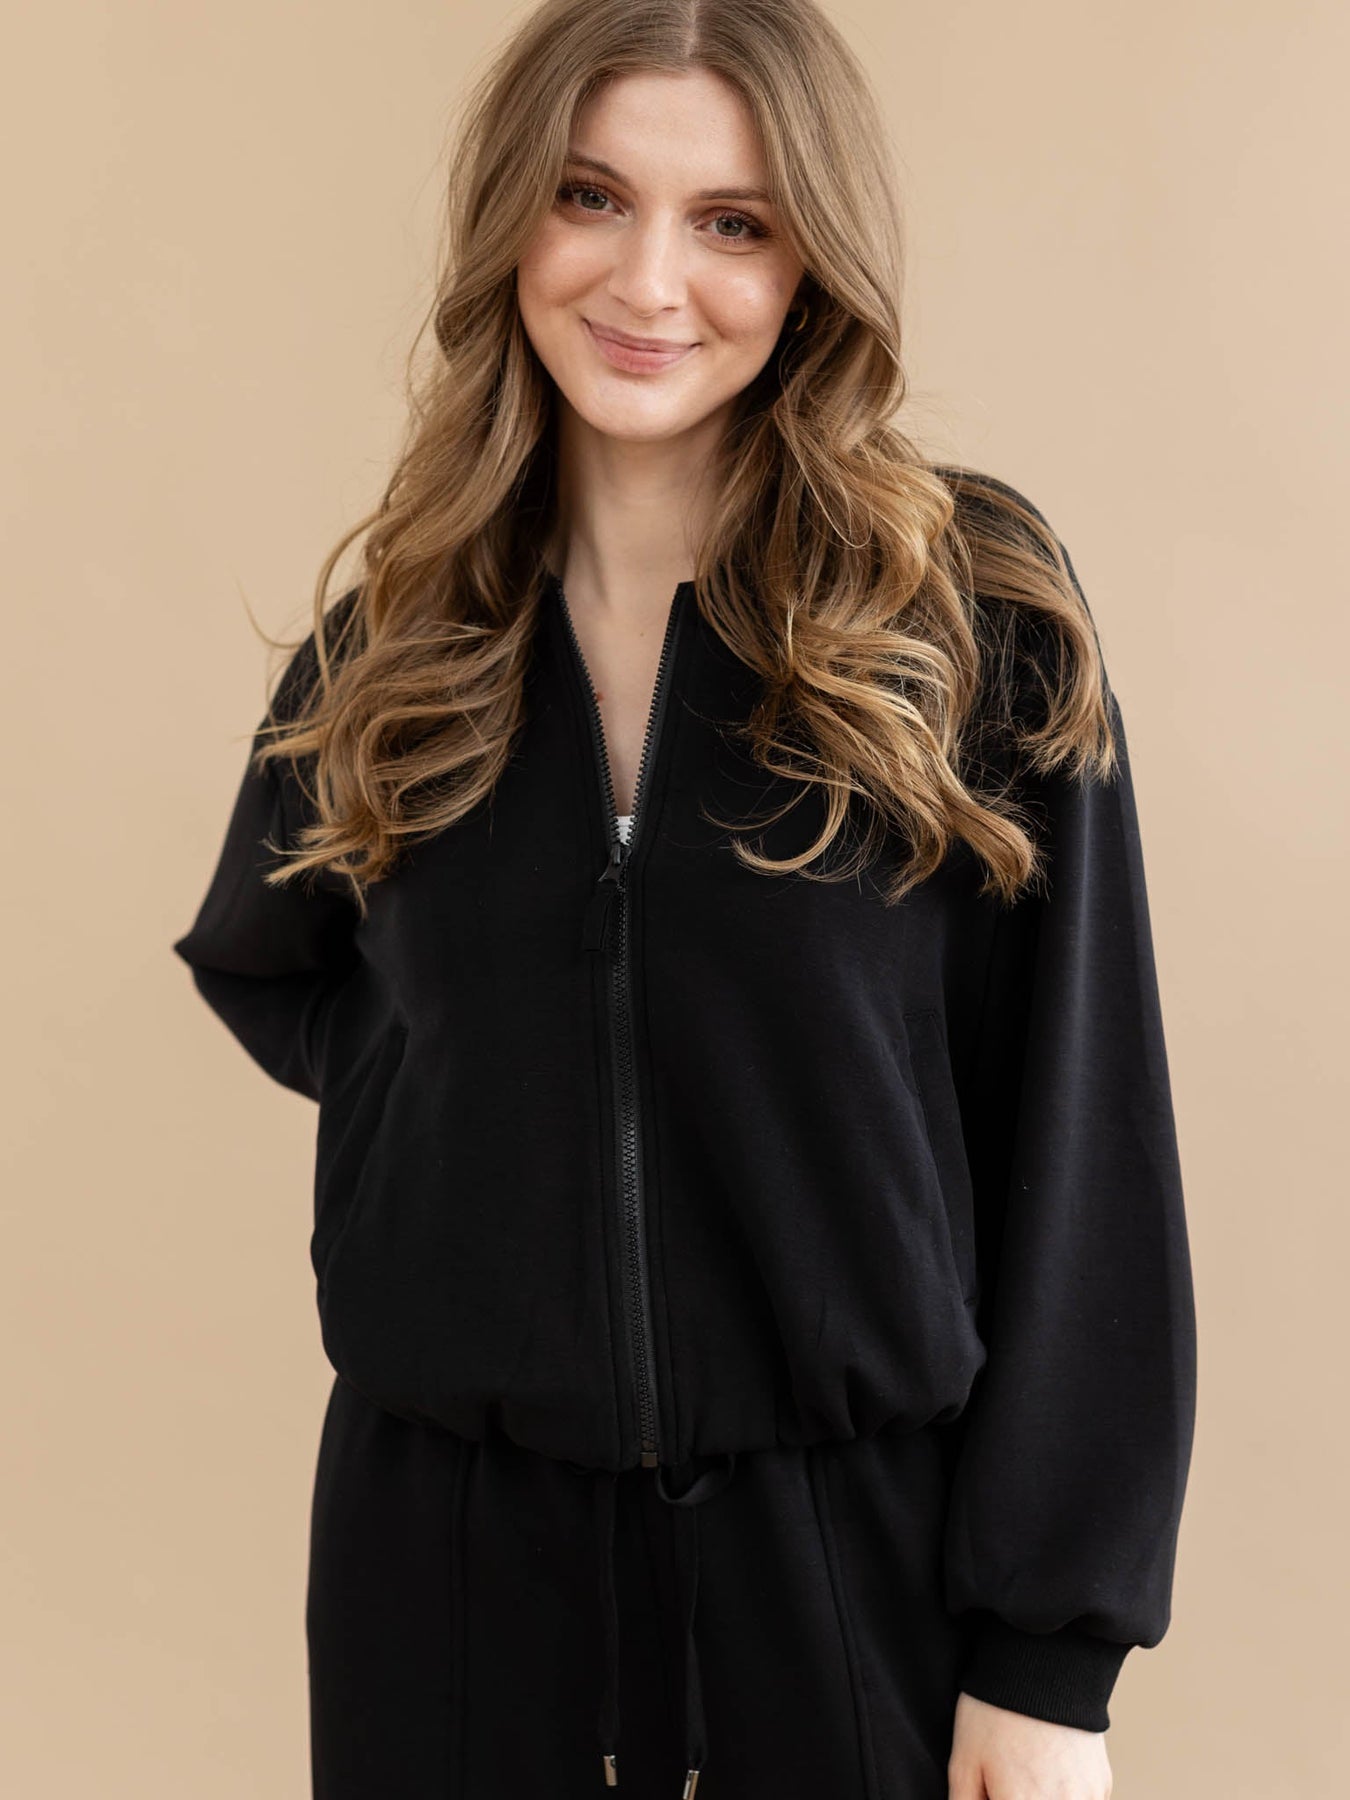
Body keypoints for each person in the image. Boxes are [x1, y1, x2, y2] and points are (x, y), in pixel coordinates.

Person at [170, 2, 1197, 1796]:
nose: (649, 281)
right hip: (446, 1571)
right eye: (590, 196)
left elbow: (1084, 1130)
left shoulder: (962, 619)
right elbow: (273, 963)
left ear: (813, 264)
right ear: (511, 217)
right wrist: (474, 1134)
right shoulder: (401, 640)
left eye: (732, 220)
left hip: (850, 1570)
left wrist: (1051, 1658)